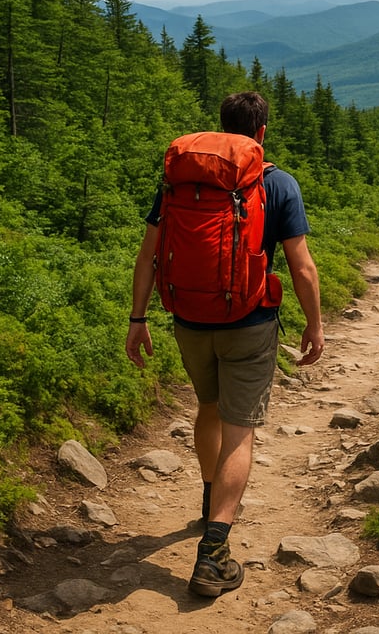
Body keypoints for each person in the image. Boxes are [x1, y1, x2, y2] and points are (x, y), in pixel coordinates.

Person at [124, 91, 324, 598]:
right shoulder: (277, 182)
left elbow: (148, 255)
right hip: (250, 323)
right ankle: (213, 554)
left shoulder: (180, 181)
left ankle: (210, 499)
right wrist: (315, 324)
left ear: (220, 126)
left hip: (188, 320)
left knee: (208, 409)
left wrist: (138, 318)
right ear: (261, 132)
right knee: (240, 432)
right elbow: (301, 266)